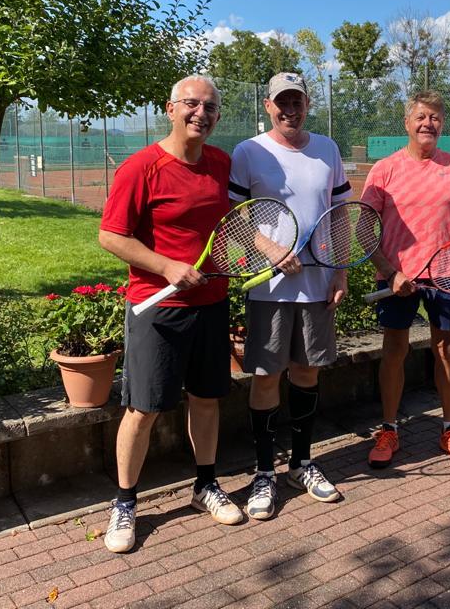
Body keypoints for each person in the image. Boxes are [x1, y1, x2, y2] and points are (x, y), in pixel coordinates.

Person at [98, 74, 243, 553]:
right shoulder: (141, 167)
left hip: (211, 303)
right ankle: (125, 503)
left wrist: (269, 251)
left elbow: (232, 223)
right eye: (191, 104)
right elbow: (111, 235)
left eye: (210, 107)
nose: (201, 113)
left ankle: (206, 485)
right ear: (170, 108)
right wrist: (166, 267)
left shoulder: (220, 163)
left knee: (206, 399)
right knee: (143, 409)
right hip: (157, 309)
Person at [229, 72, 350, 520]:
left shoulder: (328, 149)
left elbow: (340, 215)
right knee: (266, 377)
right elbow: (233, 216)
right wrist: (270, 248)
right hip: (268, 288)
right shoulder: (249, 151)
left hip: (318, 287)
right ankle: (265, 473)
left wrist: (340, 271)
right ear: (268, 106)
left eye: (297, 102)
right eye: (282, 102)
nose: (290, 110)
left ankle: (301, 463)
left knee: (306, 373)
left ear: (307, 104)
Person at [361, 90, 450, 470]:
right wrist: (390, 272)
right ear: (407, 123)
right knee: (394, 350)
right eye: (421, 117)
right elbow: (363, 231)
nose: (428, 123)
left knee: (446, 349)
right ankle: (389, 429)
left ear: (442, 124)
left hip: (448, 276)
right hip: (397, 279)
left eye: (435, 117)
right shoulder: (384, 170)